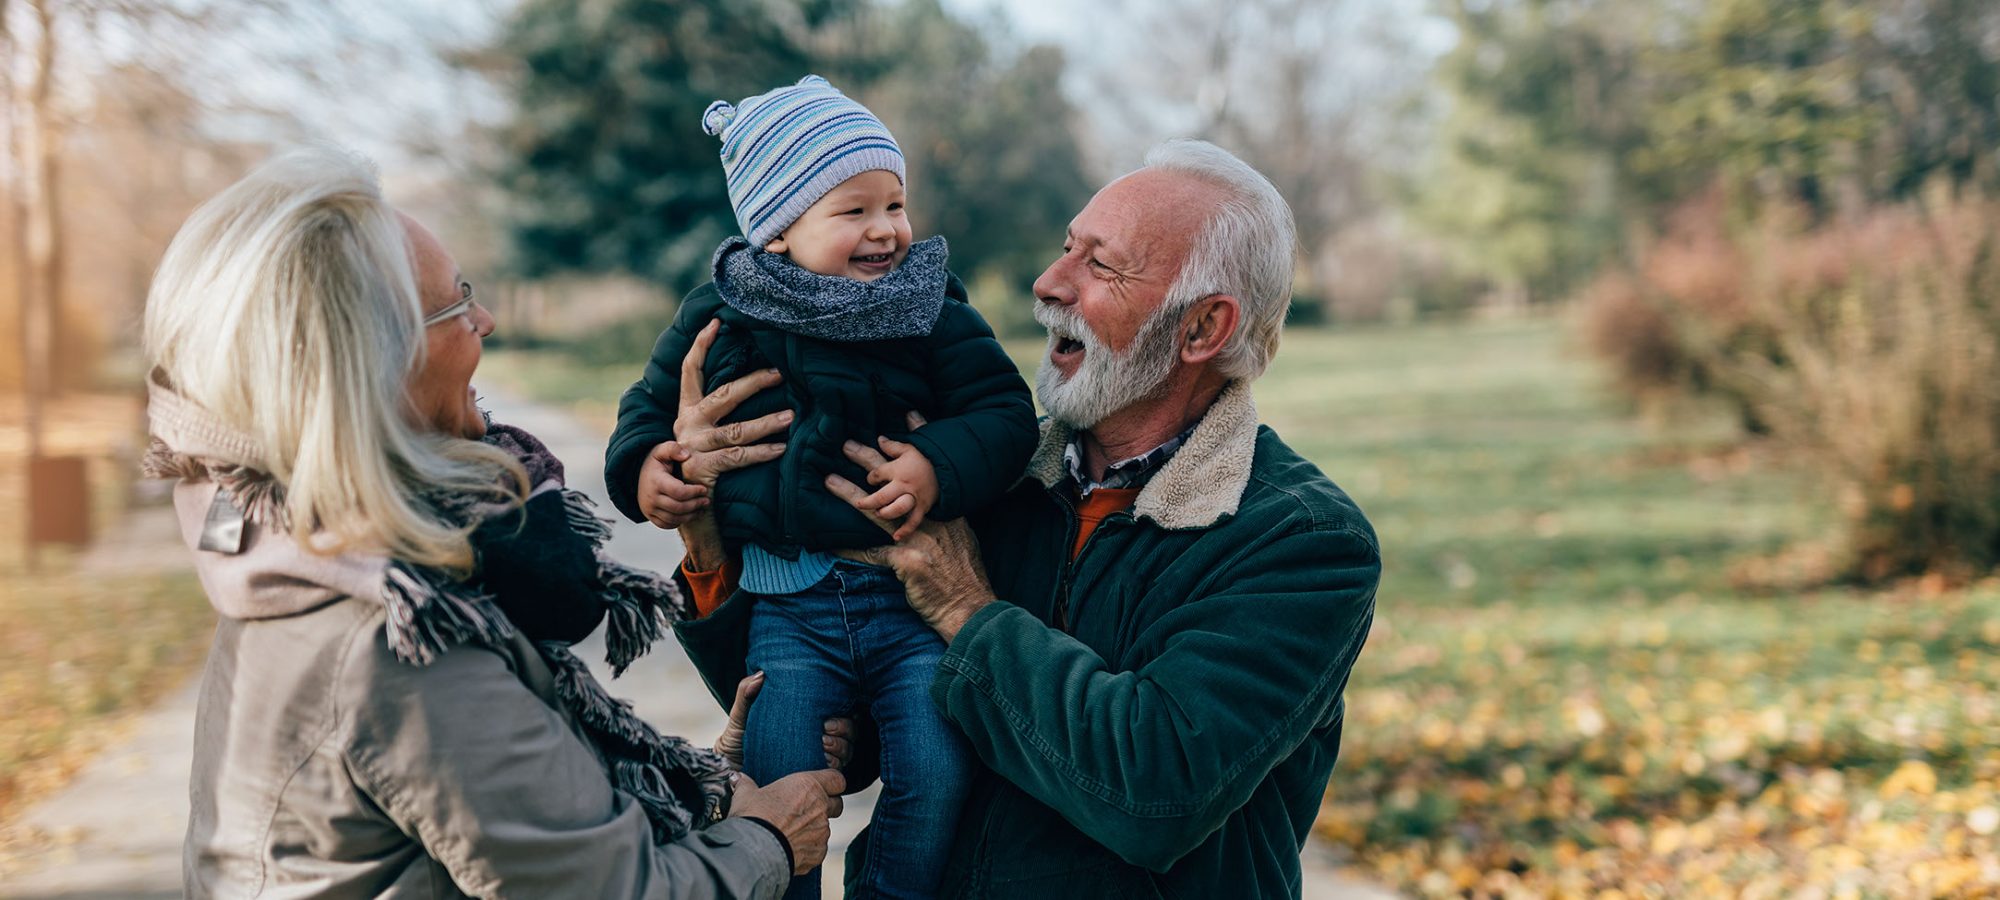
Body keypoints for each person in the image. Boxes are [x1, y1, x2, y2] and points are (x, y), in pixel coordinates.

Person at [662, 139, 1381, 898]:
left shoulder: (1300, 541)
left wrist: (968, 611)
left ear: (1202, 329)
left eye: (1100, 266)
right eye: (1067, 248)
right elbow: (844, 697)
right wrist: (707, 534)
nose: (1048, 283)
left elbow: (1155, 790)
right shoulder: (982, 476)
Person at [146, 145, 847, 899]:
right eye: (455, 307)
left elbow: (524, 821)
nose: (484, 318)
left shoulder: (308, 550)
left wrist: (700, 793)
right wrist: (767, 839)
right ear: (371, 367)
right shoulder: (397, 640)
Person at [604, 76, 1037, 900]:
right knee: (780, 785)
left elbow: (1004, 413)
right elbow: (650, 409)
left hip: (909, 604)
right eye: (853, 211)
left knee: (936, 768)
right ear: (776, 231)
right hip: (787, 613)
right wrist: (646, 469)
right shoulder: (723, 312)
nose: (886, 231)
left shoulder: (929, 305)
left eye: (895, 204)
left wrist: (934, 465)